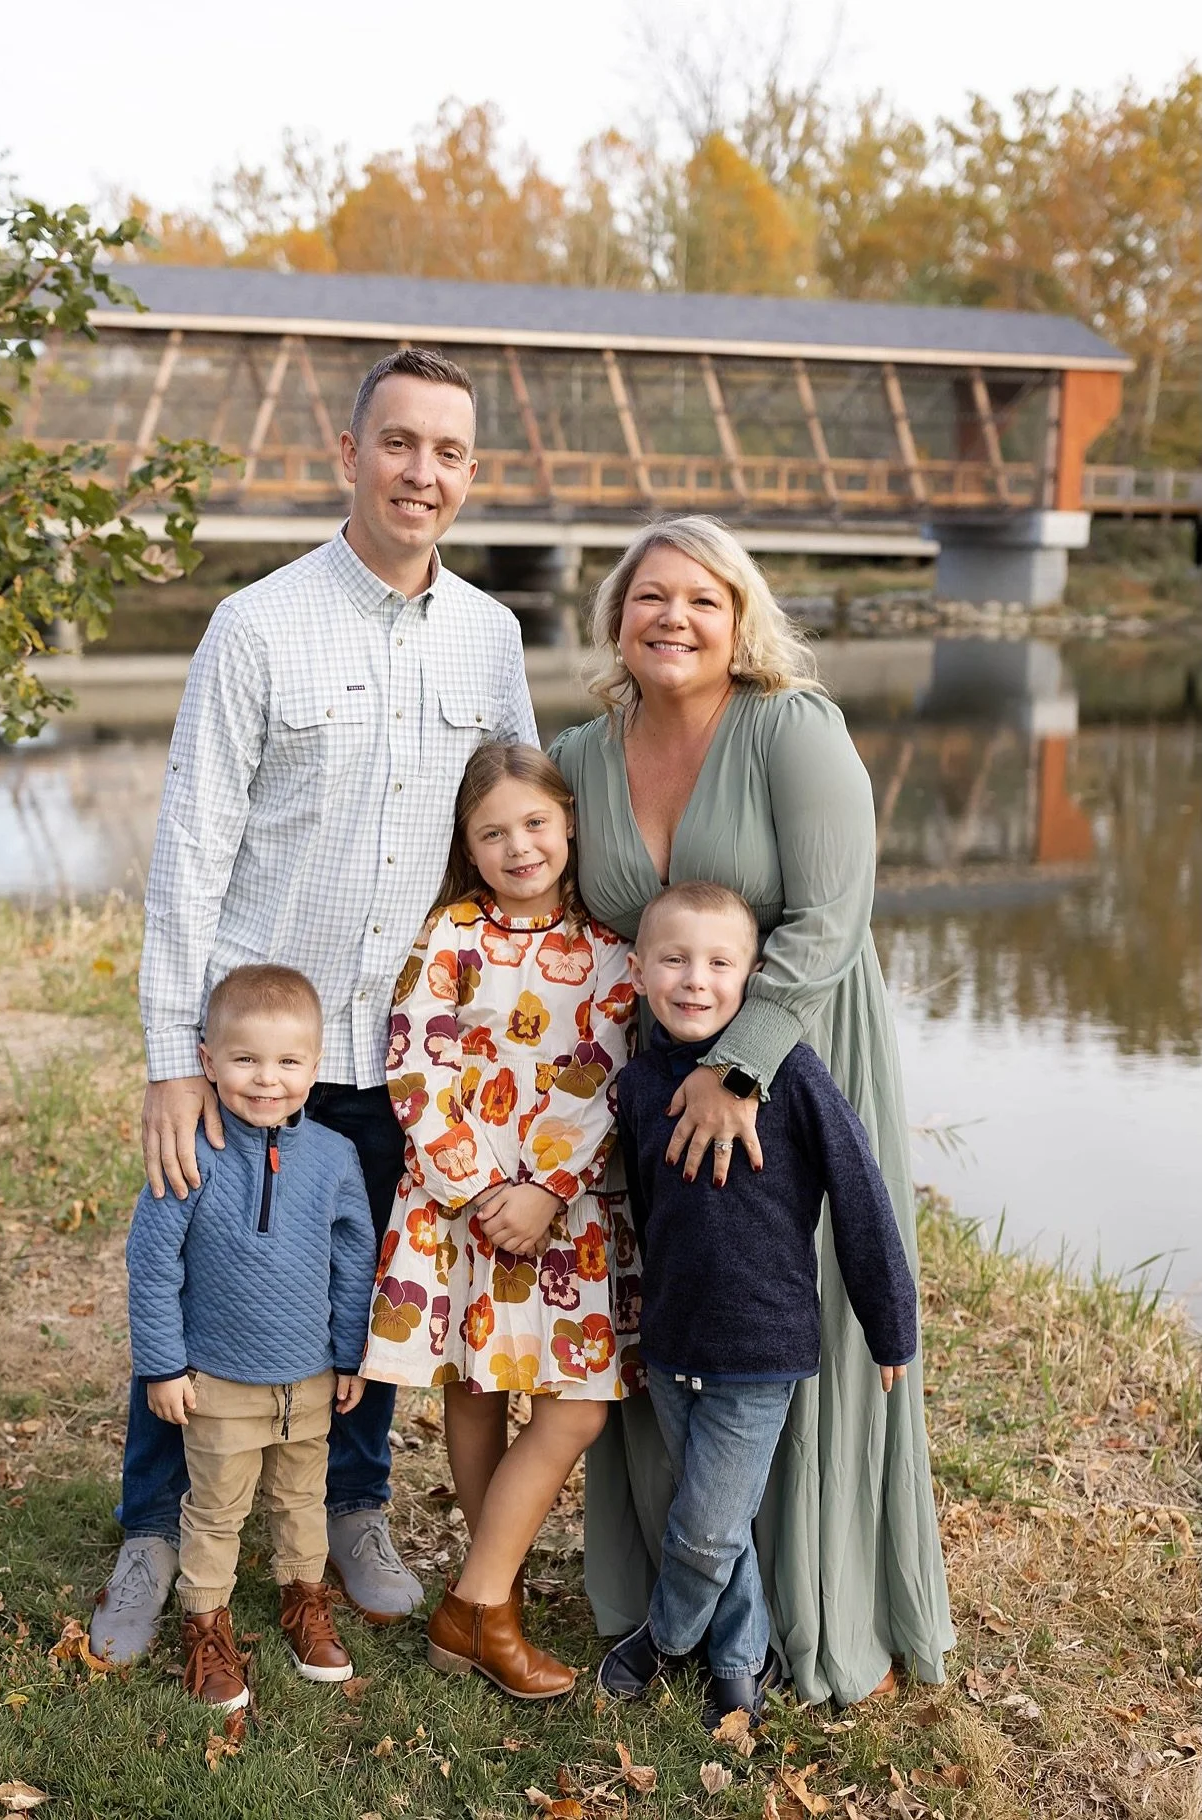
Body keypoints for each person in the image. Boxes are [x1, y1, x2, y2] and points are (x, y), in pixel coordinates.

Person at [91, 348, 539, 1664]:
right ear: (349, 455)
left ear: (470, 475)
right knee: (197, 1280)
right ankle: (151, 1529)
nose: (423, 472)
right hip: (257, 1053)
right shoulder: (259, 625)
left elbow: (508, 832)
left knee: (364, 1298)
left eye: (448, 452)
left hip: (407, 1055)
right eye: (399, 443)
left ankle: (348, 1510)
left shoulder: (493, 640)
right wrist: (176, 1061)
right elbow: (189, 854)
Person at [550, 514, 954, 1707]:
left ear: (741, 620)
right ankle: (696, 1604)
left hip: (795, 1052)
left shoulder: (791, 728)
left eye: (702, 600)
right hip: (652, 1090)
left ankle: (808, 1610)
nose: (672, 618)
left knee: (790, 1318)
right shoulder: (581, 752)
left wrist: (739, 1070)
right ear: (616, 617)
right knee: (677, 1316)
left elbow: (834, 913)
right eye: (649, 597)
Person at [595, 882, 917, 1730]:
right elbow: (646, 1208)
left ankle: (663, 1640)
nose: (694, 980)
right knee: (719, 1518)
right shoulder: (633, 1087)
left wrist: (890, 1324)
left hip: (759, 1345)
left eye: (717, 963)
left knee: (703, 1530)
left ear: (754, 974)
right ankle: (742, 1660)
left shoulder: (791, 1073)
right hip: (669, 1338)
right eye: (672, 959)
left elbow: (859, 1194)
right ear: (636, 969)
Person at [360, 742, 638, 1698]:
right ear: (467, 849)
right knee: (473, 1392)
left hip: (565, 1214)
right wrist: (477, 1188)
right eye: (492, 832)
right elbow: (414, 1063)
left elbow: (607, 1077)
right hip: (458, 1208)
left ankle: (469, 1599)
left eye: (533, 823)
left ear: (567, 825)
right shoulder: (447, 940)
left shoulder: (611, 952)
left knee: (578, 1405)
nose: (518, 845)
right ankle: (497, 1608)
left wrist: (548, 1188)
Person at [126, 965, 377, 1710]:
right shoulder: (192, 1150)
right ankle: (206, 1625)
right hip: (219, 1380)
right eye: (245, 1060)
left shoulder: (334, 1157)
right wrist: (164, 1367)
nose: (267, 1080)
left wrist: (350, 1353)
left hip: (306, 1378)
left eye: (288, 1062)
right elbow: (151, 1262)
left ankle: (304, 1600)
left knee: (303, 1497)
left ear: (316, 1064)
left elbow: (355, 1257)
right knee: (216, 1508)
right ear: (207, 1061)